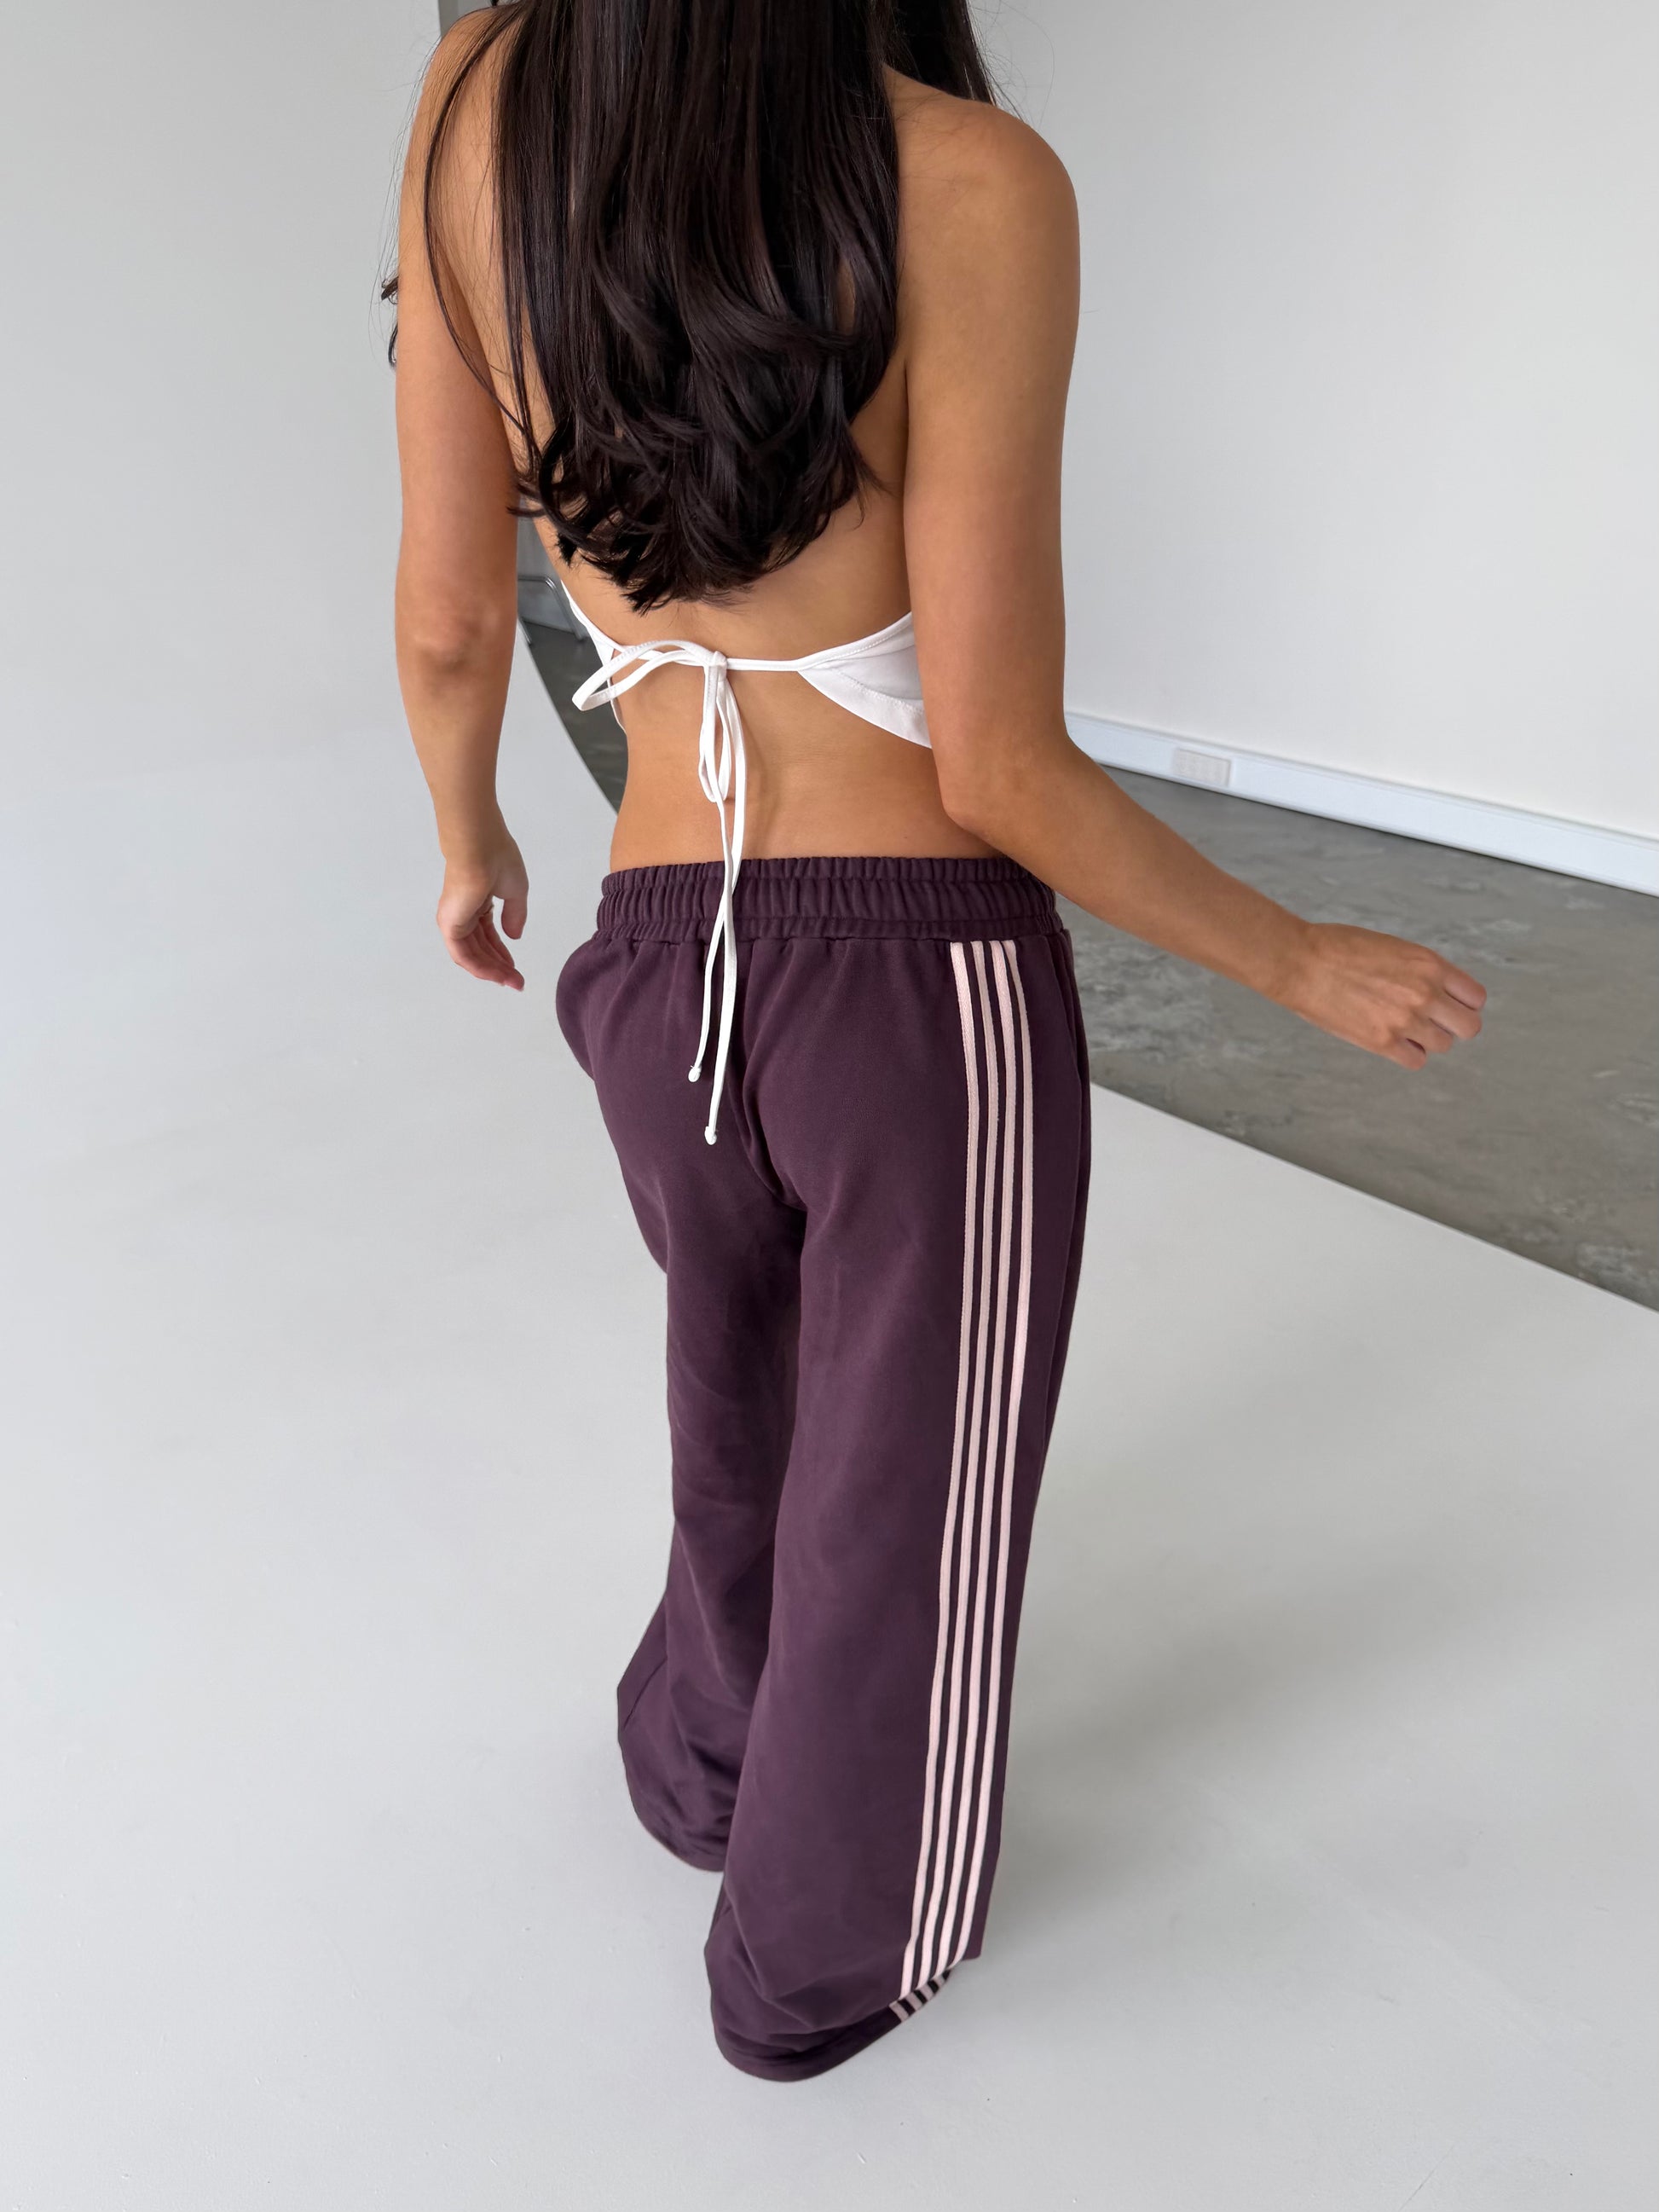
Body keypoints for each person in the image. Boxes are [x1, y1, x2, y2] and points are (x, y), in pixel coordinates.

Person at [390, 0, 1485, 2082]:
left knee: (737, 1399)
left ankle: (702, 1763)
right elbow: (995, 764)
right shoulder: (971, 184)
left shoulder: (478, 97)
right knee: (908, 1493)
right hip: (913, 988)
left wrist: (467, 842)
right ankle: (822, 1957)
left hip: (651, 952)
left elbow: (452, 617)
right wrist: (1297, 959)